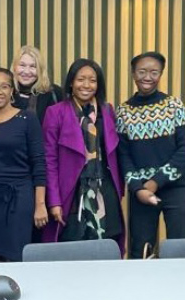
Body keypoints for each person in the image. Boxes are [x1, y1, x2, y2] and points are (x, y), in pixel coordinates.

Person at [116, 52, 185, 259]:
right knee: (141, 252)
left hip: (178, 189)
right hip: (141, 193)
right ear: (133, 74)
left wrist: (155, 182)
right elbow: (123, 156)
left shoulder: (174, 105)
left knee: (182, 251)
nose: (147, 77)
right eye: (142, 71)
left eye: (154, 72)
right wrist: (138, 188)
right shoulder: (123, 111)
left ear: (161, 74)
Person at [42, 59, 125, 254]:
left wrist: (120, 190)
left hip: (104, 191)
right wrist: (54, 201)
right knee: (72, 249)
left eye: (92, 80)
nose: (86, 85)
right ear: (71, 82)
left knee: (107, 248)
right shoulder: (56, 112)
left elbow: (115, 154)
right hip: (71, 194)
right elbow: (49, 160)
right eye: (81, 79)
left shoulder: (107, 111)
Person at [0, 67, 46, 261]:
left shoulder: (27, 118)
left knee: (17, 257)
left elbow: (39, 163)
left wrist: (40, 204)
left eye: (4, 86)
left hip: (18, 199)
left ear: (12, 90)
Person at [11, 45, 63, 124]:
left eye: (33, 66)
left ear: (40, 70)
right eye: (22, 65)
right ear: (14, 67)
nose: (27, 71)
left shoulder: (54, 93)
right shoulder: (6, 93)